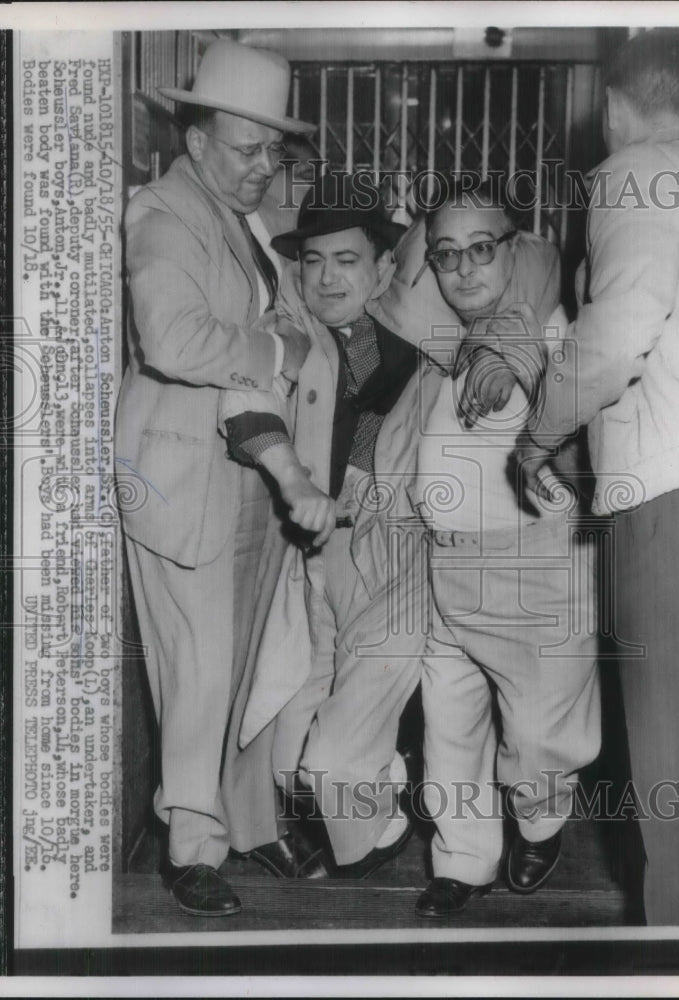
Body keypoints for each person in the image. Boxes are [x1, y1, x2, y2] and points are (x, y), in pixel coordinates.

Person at [512, 31, 679, 924]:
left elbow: (611, 344)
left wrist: (536, 439)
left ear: (613, 106)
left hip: (677, 508)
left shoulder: (634, 170)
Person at [115, 40, 329, 918]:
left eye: (270, 153)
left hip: (245, 474)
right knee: (197, 674)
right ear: (196, 139)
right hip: (179, 479)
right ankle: (190, 847)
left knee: (239, 668)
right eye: (245, 151)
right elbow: (173, 342)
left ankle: (240, 825)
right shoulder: (164, 213)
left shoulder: (236, 221)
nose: (260, 171)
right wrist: (279, 347)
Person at [365, 182, 602, 917]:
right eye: (447, 255)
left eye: (482, 249)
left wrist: (520, 345)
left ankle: (539, 820)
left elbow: (552, 266)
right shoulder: (441, 334)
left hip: (532, 565)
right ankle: (463, 858)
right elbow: (402, 266)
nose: (464, 269)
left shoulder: (554, 331)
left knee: (539, 730)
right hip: (446, 563)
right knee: (449, 727)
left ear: (514, 246)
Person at [226, 173, 426, 876]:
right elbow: (247, 406)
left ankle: (387, 805)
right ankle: (370, 791)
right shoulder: (293, 339)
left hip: (383, 563)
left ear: (381, 271)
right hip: (308, 567)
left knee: (328, 759)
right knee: (283, 753)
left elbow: (375, 437)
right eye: (312, 261)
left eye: (347, 261)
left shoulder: (402, 357)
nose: (327, 276)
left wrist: (357, 495)